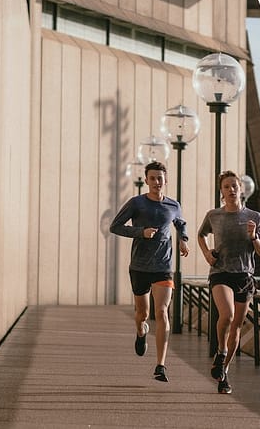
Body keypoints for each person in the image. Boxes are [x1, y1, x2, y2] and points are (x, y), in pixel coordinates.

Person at [109, 161, 189, 382]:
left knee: (162, 312)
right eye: (152, 178)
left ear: (166, 180)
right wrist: (140, 232)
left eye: (160, 178)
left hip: (163, 267)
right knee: (142, 314)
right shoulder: (137, 203)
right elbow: (115, 226)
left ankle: (161, 365)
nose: (156, 182)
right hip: (139, 266)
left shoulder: (173, 205)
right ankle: (140, 331)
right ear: (146, 180)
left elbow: (181, 223)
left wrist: (183, 239)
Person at [197, 170, 260, 394]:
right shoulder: (214, 216)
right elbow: (201, 235)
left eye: (234, 186)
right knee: (226, 315)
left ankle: (224, 373)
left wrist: (255, 237)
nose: (231, 190)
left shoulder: (254, 217)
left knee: (236, 327)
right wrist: (207, 255)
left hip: (244, 276)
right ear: (221, 191)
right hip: (220, 273)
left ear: (241, 189)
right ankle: (220, 351)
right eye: (226, 186)